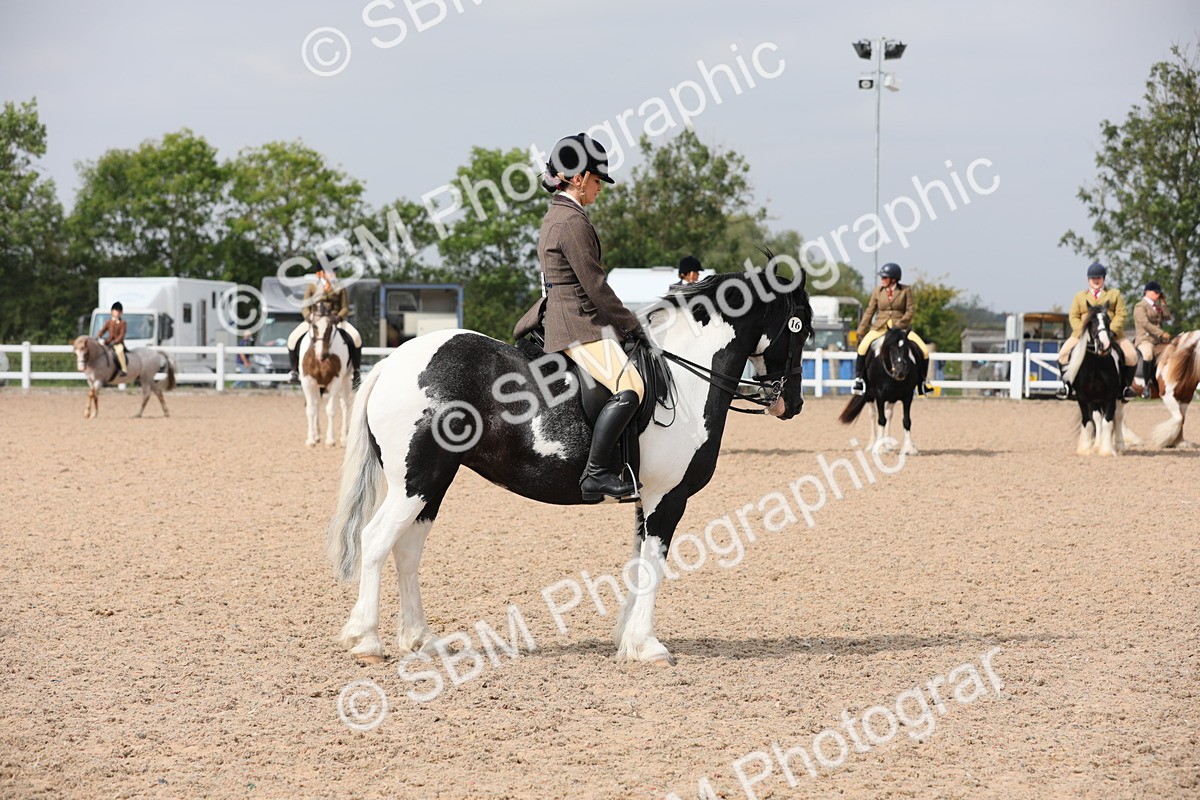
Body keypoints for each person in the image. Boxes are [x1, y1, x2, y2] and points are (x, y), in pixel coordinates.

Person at [514, 133, 646, 501]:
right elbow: (596, 286)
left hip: (567, 314)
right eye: (597, 180)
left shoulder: (558, 215)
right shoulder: (572, 221)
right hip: (577, 322)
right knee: (631, 386)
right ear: (577, 178)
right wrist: (631, 325)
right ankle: (597, 473)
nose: (599, 188)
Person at [1055, 261, 1137, 401]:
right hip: (1083, 335)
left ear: (1103, 279)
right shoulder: (1079, 297)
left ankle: (1125, 387)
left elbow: (1121, 314)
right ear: (1089, 280)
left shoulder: (1114, 294)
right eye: (1093, 278)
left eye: (1099, 278)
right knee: (1063, 354)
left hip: (1111, 334)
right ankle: (1067, 386)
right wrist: (1083, 331)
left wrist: (1110, 331)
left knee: (1131, 355)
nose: (1096, 281)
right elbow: (1073, 316)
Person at [851, 263, 932, 396]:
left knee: (924, 350)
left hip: (901, 329)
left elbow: (910, 311)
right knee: (862, 348)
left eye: (885, 277)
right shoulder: (878, 291)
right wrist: (861, 329)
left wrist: (899, 325)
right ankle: (859, 379)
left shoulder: (906, 290)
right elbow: (870, 311)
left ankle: (923, 382)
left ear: (893, 279)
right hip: (880, 327)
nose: (882, 280)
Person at [287, 265, 363, 385]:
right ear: (322, 272)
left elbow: (345, 308)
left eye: (334, 271)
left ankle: (356, 371)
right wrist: (308, 317)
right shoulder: (312, 286)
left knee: (356, 337)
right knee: (292, 339)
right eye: (330, 271)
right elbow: (305, 307)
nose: (333, 274)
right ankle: (294, 371)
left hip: (335, 320)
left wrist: (338, 317)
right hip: (315, 321)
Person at [1132, 280, 1172, 397]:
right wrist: (1161, 333)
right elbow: (1145, 324)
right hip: (1145, 339)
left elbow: (1168, 317)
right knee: (1148, 355)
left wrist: (1164, 303)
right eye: (1155, 292)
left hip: (1158, 340)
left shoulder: (1157, 306)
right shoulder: (1139, 306)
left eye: (1159, 293)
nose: (1157, 294)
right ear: (1147, 292)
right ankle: (1146, 386)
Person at [96, 301, 128, 377]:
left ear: (121, 312)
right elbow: (103, 330)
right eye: (115, 311)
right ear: (112, 312)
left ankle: (124, 369)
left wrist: (115, 342)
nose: (117, 313)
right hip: (108, 341)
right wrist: (98, 336)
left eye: (118, 311)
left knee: (119, 351)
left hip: (118, 343)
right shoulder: (109, 322)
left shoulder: (123, 323)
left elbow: (121, 335)